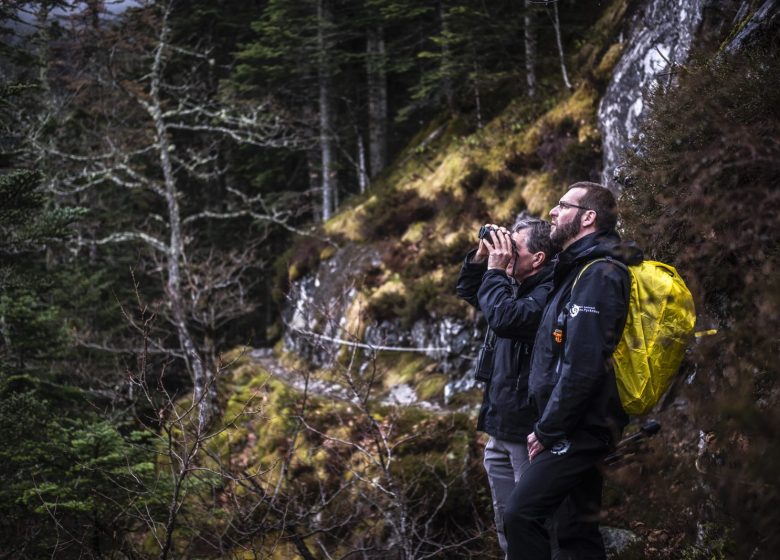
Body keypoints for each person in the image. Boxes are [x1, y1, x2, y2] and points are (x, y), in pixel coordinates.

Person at [503, 182, 643, 560]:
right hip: (576, 421)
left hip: (580, 426)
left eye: (562, 205)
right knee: (577, 533)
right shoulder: (577, 268)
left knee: (520, 515)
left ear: (587, 217)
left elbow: (584, 363)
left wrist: (549, 430)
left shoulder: (599, 274)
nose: (552, 211)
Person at [456, 218, 557, 557]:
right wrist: (482, 256)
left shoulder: (548, 292)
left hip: (527, 431)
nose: (507, 253)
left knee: (530, 522)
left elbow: (505, 318)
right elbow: (471, 291)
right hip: (499, 424)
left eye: (515, 248)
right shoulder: (511, 283)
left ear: (539, 258)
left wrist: (496, 270)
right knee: (504, 520)